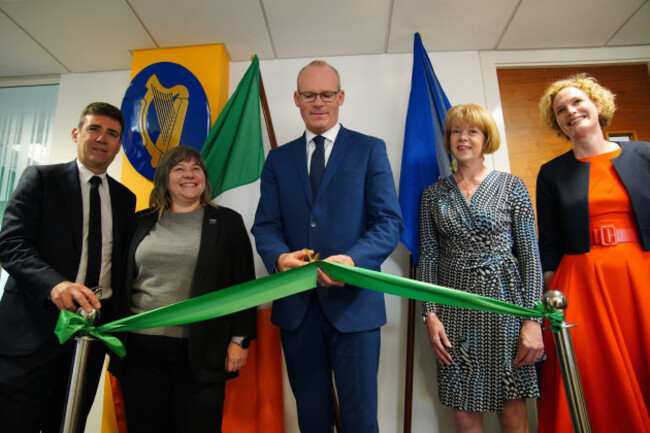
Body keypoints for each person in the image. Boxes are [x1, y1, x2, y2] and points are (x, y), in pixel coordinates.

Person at [252, 60, 403, 432]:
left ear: (341, 97)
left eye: (326, 94)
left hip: (355, 306)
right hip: (297, 310)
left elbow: (388, 223)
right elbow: (266, 225)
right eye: (309, 95)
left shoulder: (369, 149)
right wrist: (280, 257)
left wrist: (351, 260)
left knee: (360, 420)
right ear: (296, 99)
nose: (318, 102)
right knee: (312, 419)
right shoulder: (278, 159)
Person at [0, 102, 136, 432]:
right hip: (33, 335)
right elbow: (11, 244)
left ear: (120, 145)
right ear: (77, 133)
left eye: (112, 133)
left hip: (89, 339)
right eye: (94, 129)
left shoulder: (125, 199)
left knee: (69, 424)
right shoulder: (41, 179)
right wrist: (54, 285)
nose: (102, 138)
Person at [418, 103, 544, 433]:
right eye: (456, 131)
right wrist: (430, 315)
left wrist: (533, 320)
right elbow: (429, 258)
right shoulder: (433, 195)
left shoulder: (512, 186)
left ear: (486, 139)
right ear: (448, 139)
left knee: (512, 407)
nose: (463, 138)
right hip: (454, 311)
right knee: (464, 413)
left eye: (472, 131)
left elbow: (530, 257)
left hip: (506, 307)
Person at [113, 146, 256, 433]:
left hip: (202, 351)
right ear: (165, 178)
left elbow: (243, 284)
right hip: (140, 352)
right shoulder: (140, 221)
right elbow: (121, 279)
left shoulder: (227, 222)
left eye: (196, 169)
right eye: (179, 169)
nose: (189, 175)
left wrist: (239, 339)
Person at [536, 74, 650, 433]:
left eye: (577, 102)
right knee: (591, 371)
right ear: (558, 124)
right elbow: (550, 243)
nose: (570, 112)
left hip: (642, 274)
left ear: (598, 105)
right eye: (560, 111)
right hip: (582, 283)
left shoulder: (645, 153)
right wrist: (549, 308)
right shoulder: (551, 173)